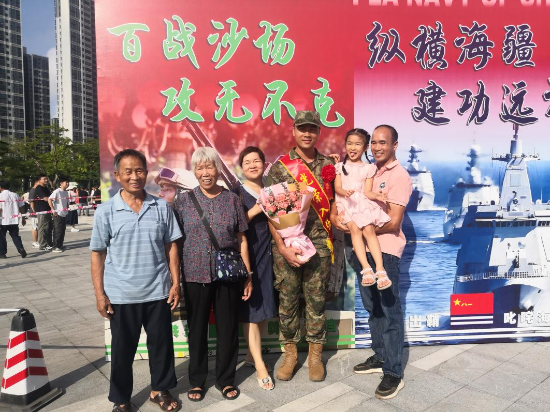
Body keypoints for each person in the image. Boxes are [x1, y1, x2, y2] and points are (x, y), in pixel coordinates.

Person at [90, 149, 182, 412]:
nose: (134, 176)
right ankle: (121, 399)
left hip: (158, 291)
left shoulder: (161, 207)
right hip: (121, 295)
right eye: (128, 172)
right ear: (117, 175)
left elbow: (171, 247)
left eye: (139, 170)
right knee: (122, 352)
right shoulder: (105, 211)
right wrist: (100, 294)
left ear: (146, 173)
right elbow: (98, 254)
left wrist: (176, 283)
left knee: (161, 347)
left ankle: (159, 390)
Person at [331, 125, 412, 400]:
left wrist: (359, 226)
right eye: (374, 142)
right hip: (361, 252)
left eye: (383, 142)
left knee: (389, 310)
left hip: (385, 252)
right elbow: (341, 201)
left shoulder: (398, 176)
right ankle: (380, 356)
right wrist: (338, 220)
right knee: (372, 308)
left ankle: (393, 371)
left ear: (394, 145)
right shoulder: (366, 170)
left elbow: (394, 222)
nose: (377, 147)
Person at [174, 147, 253, 402]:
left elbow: (242, 239)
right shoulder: (183, 201)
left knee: (227, 329)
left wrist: (248, 274)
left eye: (209, 167)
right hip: (194, 273)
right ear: (194, 171)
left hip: (227, 274)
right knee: (197, 329)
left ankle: (225, 379)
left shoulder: (232, 200)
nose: (205, 173)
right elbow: (175, 242)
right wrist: (174, 279)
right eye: (200, 168)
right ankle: (197, 380)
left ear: (218, 169)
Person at [264, 110, 335, 382]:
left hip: (319, 241)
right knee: (288, 300)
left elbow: (336, 202)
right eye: (302, 128)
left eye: (312, 129)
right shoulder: (281, 167)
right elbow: (271, 212)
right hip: (287, 244)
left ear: (318, 132)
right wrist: (282, 247)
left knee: (316, 300)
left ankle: (315, 355)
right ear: (293, 131)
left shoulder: (329, 165)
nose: (307, 133)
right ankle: (290, 354)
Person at [234, 146, 277, 391]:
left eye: (256, 160)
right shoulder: (237, 193)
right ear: (241, 167)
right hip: (248, 254)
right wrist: (256, 208)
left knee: (262, 308)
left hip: (268, 254)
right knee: (251, 312)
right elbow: (234, 225)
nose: (252, 165)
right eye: (247, 162)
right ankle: (260, 366)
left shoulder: (271, 190)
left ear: (264, 163)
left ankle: (252, 356)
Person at [334, 128, 391, 289]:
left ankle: (380, 269)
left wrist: (377, 196)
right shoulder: (339, 167)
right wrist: (344, 192)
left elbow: (367, 192)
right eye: (349, 143)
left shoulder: (368, 168)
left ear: (365, 147)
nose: (353, 148)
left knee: (369, 229)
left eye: (357, 144)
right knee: (354, 229)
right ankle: (366, 268)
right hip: (346, 203)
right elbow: (337, 187)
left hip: (362, 203)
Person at [0, 181, 27, 259]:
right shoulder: (15, 195)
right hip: (14, 220)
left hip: (3, 221)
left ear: (0, 187)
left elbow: (0, 209)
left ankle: (2, 253)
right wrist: (23, 217)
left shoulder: (0, 196)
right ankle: (20, 248)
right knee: (15, 236)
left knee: (2, 238)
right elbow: (21, 207)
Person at [48, 178, 70, 253]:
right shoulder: (57, 191)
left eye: (68, 182)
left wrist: (67, 206)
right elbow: (49, 199)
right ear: (61, 183)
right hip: (58, 214)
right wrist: (53, 209)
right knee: (58, 230)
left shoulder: (66, 192)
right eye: (66, 182)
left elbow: (66, 201)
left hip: (64, 213)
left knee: (62, 230)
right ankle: (55, 247)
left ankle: (60, 245)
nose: (67, 184)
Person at [34, 174, 53, 251]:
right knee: (42, 228)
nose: (46, 180)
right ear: (39, 180)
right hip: (41, 210)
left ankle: (49, 243)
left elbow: (50, 197)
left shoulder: (46, 188)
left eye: (47, 179)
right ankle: (42, 245)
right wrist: (52, 200)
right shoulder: (39, 188)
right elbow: (45, 198)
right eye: (44, 179)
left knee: (48, 227)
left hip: (47, 209)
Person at [28, 178, 40, 248]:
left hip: (38, 211)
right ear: (36, 183)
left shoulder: (37, 190)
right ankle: (34, 242)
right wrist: (34, 211)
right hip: (34, 212)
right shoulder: (33, 190)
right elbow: (31, 201)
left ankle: (37, 241)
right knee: (35, 227)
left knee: (37, 227)